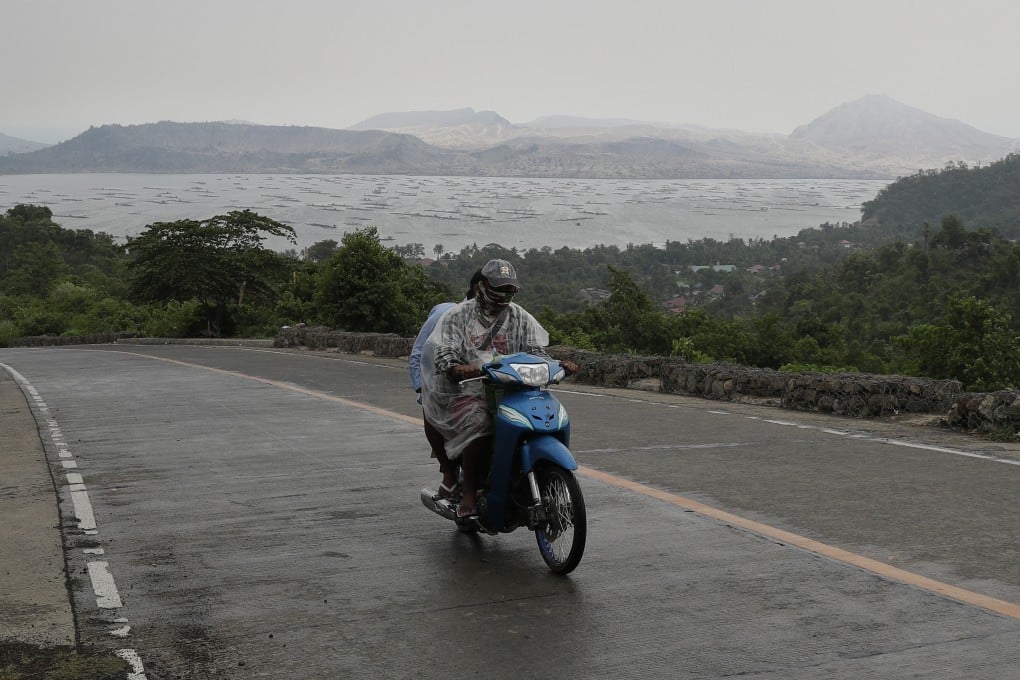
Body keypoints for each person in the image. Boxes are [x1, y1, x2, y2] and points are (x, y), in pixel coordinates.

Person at [420, 259, 577, 517]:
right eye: (498, 287)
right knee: (479, 422)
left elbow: (535, 352)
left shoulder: (519, 316)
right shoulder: (458, 315)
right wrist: (457, 367)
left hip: (512, 388)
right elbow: (444, 349)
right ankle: (469, 491)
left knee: (545, 415)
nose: (504, 294)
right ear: (482, 286)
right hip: (470, 388)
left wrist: (557, 365)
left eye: (509, 288)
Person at [408, 270, 484, 499]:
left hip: (479, 381)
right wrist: (424, 388)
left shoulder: (502, 319)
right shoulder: (446, 316)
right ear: (477, 289)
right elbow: (418, 354)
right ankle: (448, 473)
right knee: (432, 408)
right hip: (442, 377)